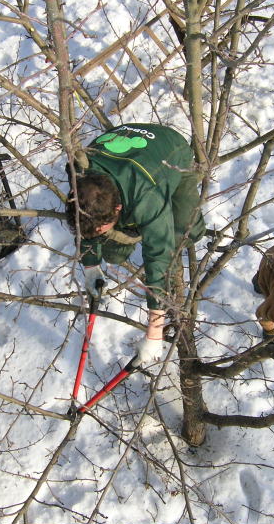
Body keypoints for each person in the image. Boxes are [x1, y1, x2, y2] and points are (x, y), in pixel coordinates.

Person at [66, 123, 206, 366]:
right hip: (128, 145)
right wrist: (90, 266)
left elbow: (158, 257)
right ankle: (139, 229)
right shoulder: (79, 176)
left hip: (171, 150)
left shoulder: (147, 197)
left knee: (183, 231)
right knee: (114, 251)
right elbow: (86, 226)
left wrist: (154, 332)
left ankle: (158, 224)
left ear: (117, 209)